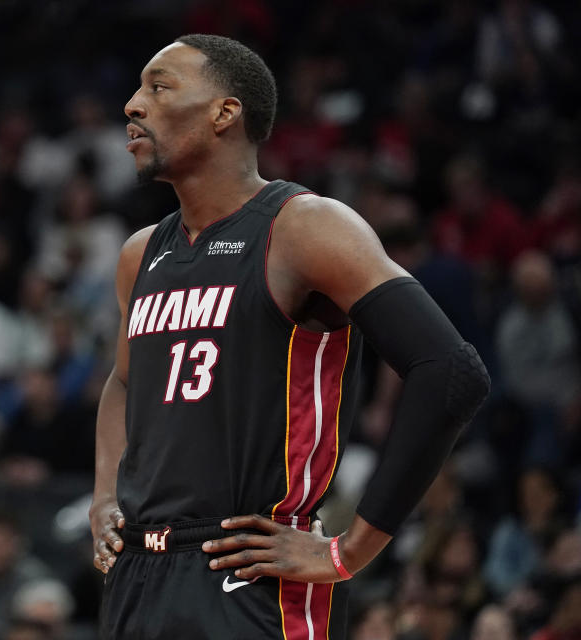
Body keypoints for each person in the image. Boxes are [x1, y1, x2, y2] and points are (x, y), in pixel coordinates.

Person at [90, 34, 490, 639]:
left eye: (159, 86)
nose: (132, 104)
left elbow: (451, 372)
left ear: (226, 112)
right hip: (140, 576)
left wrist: (350, 549)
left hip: (251, 574)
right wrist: (102, 498)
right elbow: (124, 382)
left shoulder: (304, 227)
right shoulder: (140, 253)